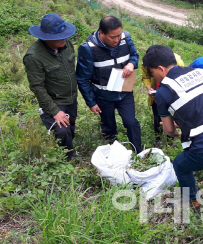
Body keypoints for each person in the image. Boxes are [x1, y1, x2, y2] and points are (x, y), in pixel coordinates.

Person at [143, 45, 203, 206]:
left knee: (180, 165)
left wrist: (175, 132)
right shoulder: (201, 73)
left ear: (160, 69)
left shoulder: (163, 91)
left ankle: (193, 199)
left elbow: (168, 130)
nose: (154, 77)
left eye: (152, 73)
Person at [76, 16, 142, 153]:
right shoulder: (88, 49)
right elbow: (82, 78)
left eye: (118, 35)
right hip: (103, 95)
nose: (117, 40)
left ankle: (138, 153)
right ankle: (113, 153)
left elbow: (134, 55)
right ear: (102, 33)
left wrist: (131, 63)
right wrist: (91, 102)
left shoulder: (126, 38)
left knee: (131, 122)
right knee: (109, 126)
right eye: (112, 37)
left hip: (124, 91)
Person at [23, 13, 78, 161]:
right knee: (62, 131)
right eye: (58, 37)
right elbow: (37, 86)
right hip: (54, 101)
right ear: (46, 38)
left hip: (71, 98)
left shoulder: (67, 45)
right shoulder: (34, 57)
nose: (63, 39)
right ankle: (66, 161)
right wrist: (55, 111)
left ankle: (69, 151)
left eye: (64, 35)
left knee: (70, 128)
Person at [141, 53, 185, 144]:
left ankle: (170, 142)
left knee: (171, 119)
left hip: (170, 97)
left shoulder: (176, 63)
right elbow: (146, 77)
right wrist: (149, 87)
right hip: (157, 97)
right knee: (157, 118)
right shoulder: (147, 64)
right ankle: (158, 140)